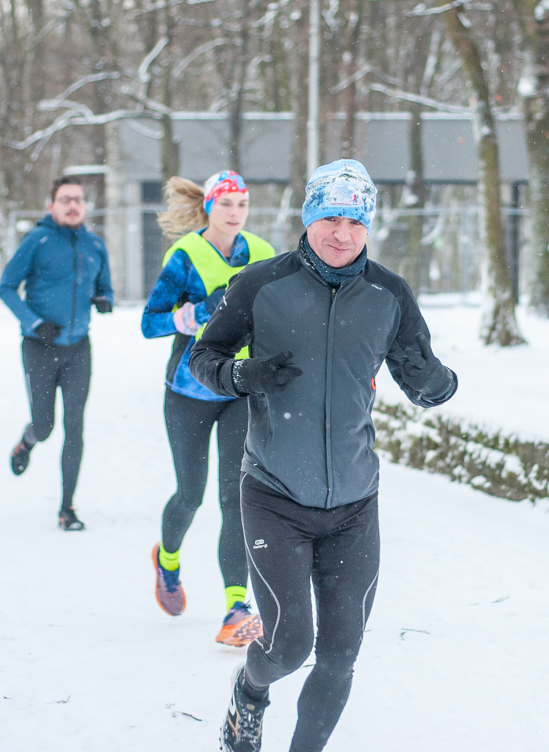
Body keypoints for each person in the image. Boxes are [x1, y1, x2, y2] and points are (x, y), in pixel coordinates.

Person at [189, 159, 458, 752]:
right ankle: (251, 691)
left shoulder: (389, 294)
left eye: (355, 220)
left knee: (340, 657)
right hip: (275, 496)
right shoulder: (262, 284)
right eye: (330, 217)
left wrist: (436, 383)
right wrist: (243, 374)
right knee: (288, 647)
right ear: (309, 218)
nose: (342, 233)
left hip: (355, 506)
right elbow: (202, 359)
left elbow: (423, 379)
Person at [141, 170, 275, 647]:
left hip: (239, 389)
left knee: (234, 499)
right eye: (226, 205)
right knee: (191, 495)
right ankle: (168, 559)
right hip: (189, 392)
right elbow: (149, 322)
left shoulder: (262, 254)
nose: (235, 213)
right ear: (209, 208)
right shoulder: (186, 256)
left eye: (241, 204)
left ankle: (236, 609)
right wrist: (199, 312)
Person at [0, 177, 113, 531]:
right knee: (46, 425)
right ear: (51, 206)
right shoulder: (37, 240)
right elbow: (5, 287)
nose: (72, 205)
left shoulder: (95, 245)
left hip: (79, 348)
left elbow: (105, 286)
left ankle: (68, 508)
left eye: (78, 199)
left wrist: (104, 299)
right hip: (39, 348)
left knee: (74, 427)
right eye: (65, 200)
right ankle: (27, 441)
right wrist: (34, 323)